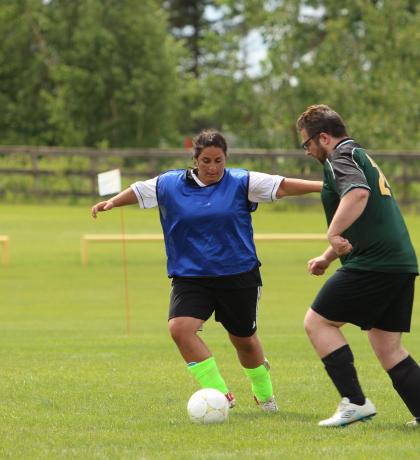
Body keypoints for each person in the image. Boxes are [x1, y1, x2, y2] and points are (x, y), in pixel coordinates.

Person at [91, 130, 322, 412]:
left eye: (219, 160)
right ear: (195, 159)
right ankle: (221, 395)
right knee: (180, 329)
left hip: (237, 274)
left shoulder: (241, 181)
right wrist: (113, 202)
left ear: (226, 159)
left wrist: (324, 186)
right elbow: (139, 189)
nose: (213, 167)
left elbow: (283, 186)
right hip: (190, 276)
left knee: (244, 341)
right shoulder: (169, 184)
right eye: (206, 160)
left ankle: (264, 395)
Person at [296, 104, 420, 428]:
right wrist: (328, 255)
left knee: (317, 322)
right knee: (387, 345)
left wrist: (332, 232)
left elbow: (358, 195)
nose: (307, 151)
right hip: (399, 262)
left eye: (306, 143)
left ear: (323, 137)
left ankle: (355, 402)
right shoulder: (357, 154)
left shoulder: (339, 157)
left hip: (375, 263)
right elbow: (363, 218)